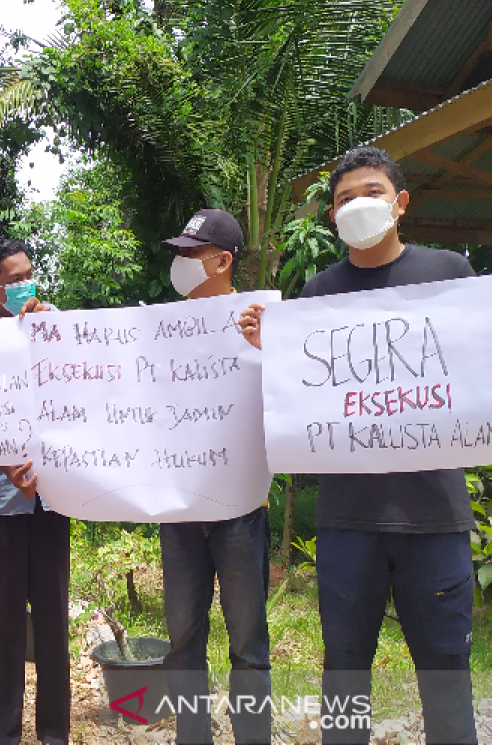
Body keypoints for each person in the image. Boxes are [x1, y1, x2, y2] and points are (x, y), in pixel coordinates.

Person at [239, 147, 480, 745]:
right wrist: (272, 349)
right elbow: (304, 391)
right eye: (344, 199)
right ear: (331, 217)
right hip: (348, 522)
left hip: (435, 519)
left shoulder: (449, 272)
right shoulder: (318, 292)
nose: (357, 205)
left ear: (400, 203)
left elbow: (483, 375)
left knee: (447, 683)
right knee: (345, 683)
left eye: (371, 192)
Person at [160, 209, 271, 745]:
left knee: (248, 644)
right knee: (183, 641)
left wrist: (270, 350)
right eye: (178, 253)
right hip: (180, 513)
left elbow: (296, 397)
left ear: (223, 261)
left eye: (190, 254)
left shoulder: (261, 321)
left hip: (241, 511)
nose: (180, 264)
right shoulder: (155, 329)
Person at [0, 239, 70, 745]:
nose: (26, 285)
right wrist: (2, 458)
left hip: (52, 502)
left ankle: (54, 733)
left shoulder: (57, 326)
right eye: (14, 279)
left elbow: (84, 394)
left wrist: (53, 334)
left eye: (30, 274)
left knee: (52, 623)